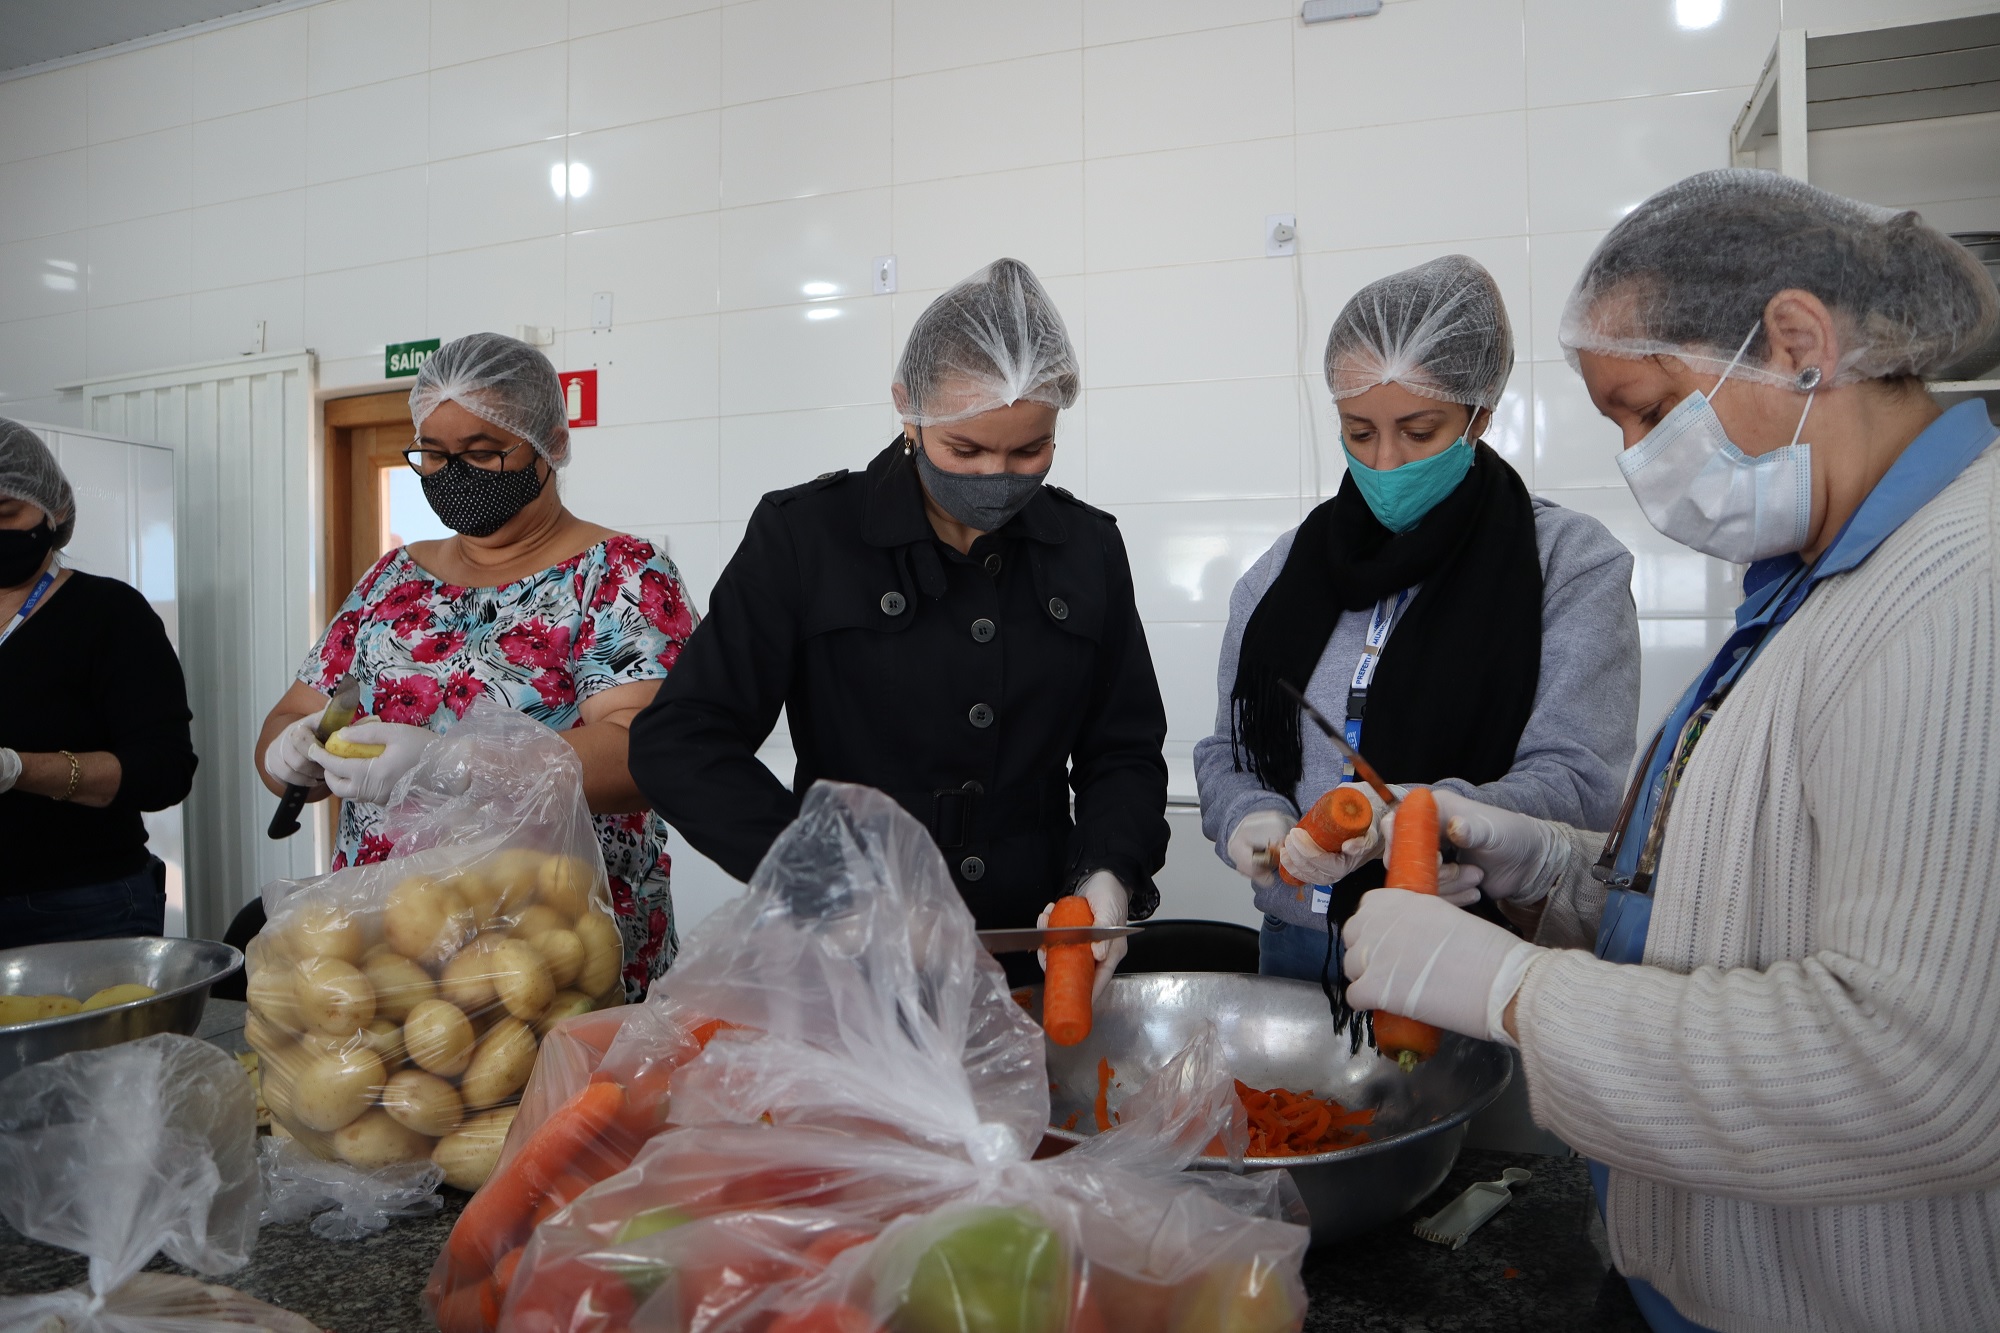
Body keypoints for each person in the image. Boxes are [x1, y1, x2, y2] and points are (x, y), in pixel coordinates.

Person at [1339, 171, 2000, 1333]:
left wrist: (1510, 987)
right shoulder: (1814, 584)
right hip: (1685, 1282)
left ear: (1796, 343)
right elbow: (1743, 894)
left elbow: (1920, 1077)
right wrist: (1545, 868)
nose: (1640, 456)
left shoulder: (1961, 588)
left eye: (1645, 410)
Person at [630, 258, 1169, 994]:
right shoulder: (808, 537)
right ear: (906, 409)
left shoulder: (1087, 548)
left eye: (1028, 450)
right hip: (847, 967)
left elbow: (1125, 752)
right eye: (966, 449)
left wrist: (1106, 875)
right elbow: (678, 742)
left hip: (1035, 963)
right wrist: (825, 883)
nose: (996, 477)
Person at [1194, 255, 1640, 995]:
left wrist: (1415, 817)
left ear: (1480, 416)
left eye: (1419, 430)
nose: (1386, 461)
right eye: (1358, 431)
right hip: (1296, 946)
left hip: (1470, 948)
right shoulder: (1284, 571)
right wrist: (1251, 817)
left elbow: (1579, 784)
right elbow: (1226, 747)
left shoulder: (1567, 565)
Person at [255, 333, 695, 998]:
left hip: (556, 954)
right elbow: (296, 709)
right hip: (396, 960)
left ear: (551, 442)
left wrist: (450, 763)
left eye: (483, 452)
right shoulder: (391, 580)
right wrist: (287, 754)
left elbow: (643, 754)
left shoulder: (620, 575)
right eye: (432, 454)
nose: (452, 473)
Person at [0, 418, 197, 946]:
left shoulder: (109, 615)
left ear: (54, 510)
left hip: (82, 906)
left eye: (5, 513)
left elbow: (163, 771)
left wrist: (18, 769)